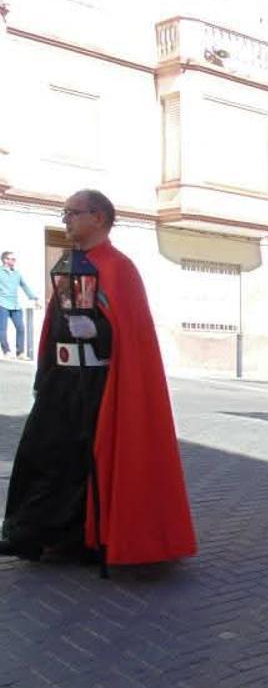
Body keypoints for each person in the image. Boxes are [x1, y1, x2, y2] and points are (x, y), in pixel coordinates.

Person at [0, 190, 196, 565]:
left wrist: (98, 332)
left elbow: (130, 333)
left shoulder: (119, 268)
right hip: (62, 379)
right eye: (65, 213)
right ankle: (30, 532)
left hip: (97, 383)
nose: (67, 219)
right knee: (41, 451)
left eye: (73, 213)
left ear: (99, 218)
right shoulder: (70, 262)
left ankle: (82, 537)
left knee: (83, 460)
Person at [0, 251, 39, 359]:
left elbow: (24, 285)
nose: (13, 261)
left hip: (15, 305)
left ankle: (20, 353)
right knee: (2, 329)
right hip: (2, 304)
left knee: (21, 328)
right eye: (11, 259)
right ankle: (6, 351)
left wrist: (34, 298)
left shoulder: (17, 273)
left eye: (14, 259)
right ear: (5, 260)